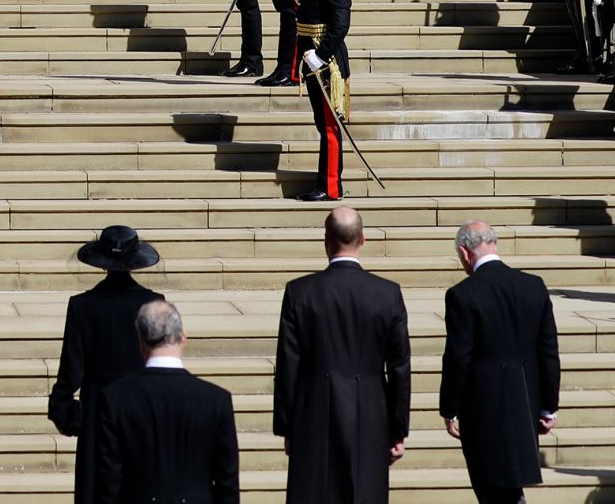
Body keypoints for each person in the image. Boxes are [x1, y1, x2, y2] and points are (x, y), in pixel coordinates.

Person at [274, 207, 411, 501]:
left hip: (313, 412)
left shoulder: (301, 292)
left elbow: (288, 365)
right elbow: (399, 367)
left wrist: (286, 426)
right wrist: (398, 428)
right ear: (362, 239)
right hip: (371, 413)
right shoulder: (387, 293)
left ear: (326, 241)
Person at [441, 221, 561, 504]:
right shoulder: (533, 285)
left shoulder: (462, 294)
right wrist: (549, 406)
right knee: (506, 489)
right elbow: (548, 351)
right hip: (526, 400)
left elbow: (458, 357)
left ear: (464, 252)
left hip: (483, 409)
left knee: (493, 490)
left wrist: (450, 408)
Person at [48, 226, 166, 504]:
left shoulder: (82, 305)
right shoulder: (153, 302)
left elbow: (71, 369)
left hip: (98, 410)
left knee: (97, 490)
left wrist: (63, 409)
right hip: (142, 409)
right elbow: (161, 361)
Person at [92, 300, 239, 504]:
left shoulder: (115, 399)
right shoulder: (216, 400)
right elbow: (227, 483)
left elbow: (108, 481)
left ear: (141, 342)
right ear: (182, 337)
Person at [293, 0, 353, 201]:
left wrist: (321, 55)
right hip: (310, 54)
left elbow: (340, 24)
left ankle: (330, 186)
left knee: (329, 126)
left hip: (325, 61)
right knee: (321, 123)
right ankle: (324, 182)